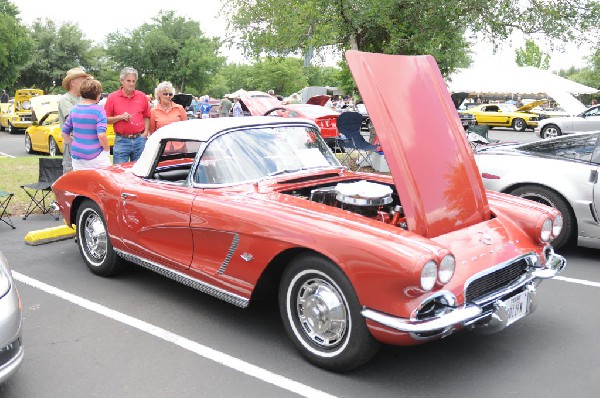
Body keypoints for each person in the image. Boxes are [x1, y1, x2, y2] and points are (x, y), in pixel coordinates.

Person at [61, 79, 111, 171]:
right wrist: (107, 149)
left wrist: (75, 143)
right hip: (96, 155)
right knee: (103, 181)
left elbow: (64, 134)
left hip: (77, 155)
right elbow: (101, 135)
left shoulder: (74, 110)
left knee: (81, 182)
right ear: (97, 94)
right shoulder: (99, 111)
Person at [104, 67, 151, 164]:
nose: (131, 84)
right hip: (121, 140)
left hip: (139, 139)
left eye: (134, 81)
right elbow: (105, 119)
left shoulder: (142, 96)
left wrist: (145, 132)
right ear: (121, 81)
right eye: (128, 81)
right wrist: (119, 117)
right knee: (119, 173)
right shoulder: (113, 97)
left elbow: (147, 116)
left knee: (140, 172)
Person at [59, 67, 92, 173]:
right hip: (72, 143)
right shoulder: (65, 99)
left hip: (86, 143)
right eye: (83, 81)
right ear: (73, 83)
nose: (85, 84)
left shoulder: (84, 99)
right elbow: (73, 121)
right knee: (70, 174)